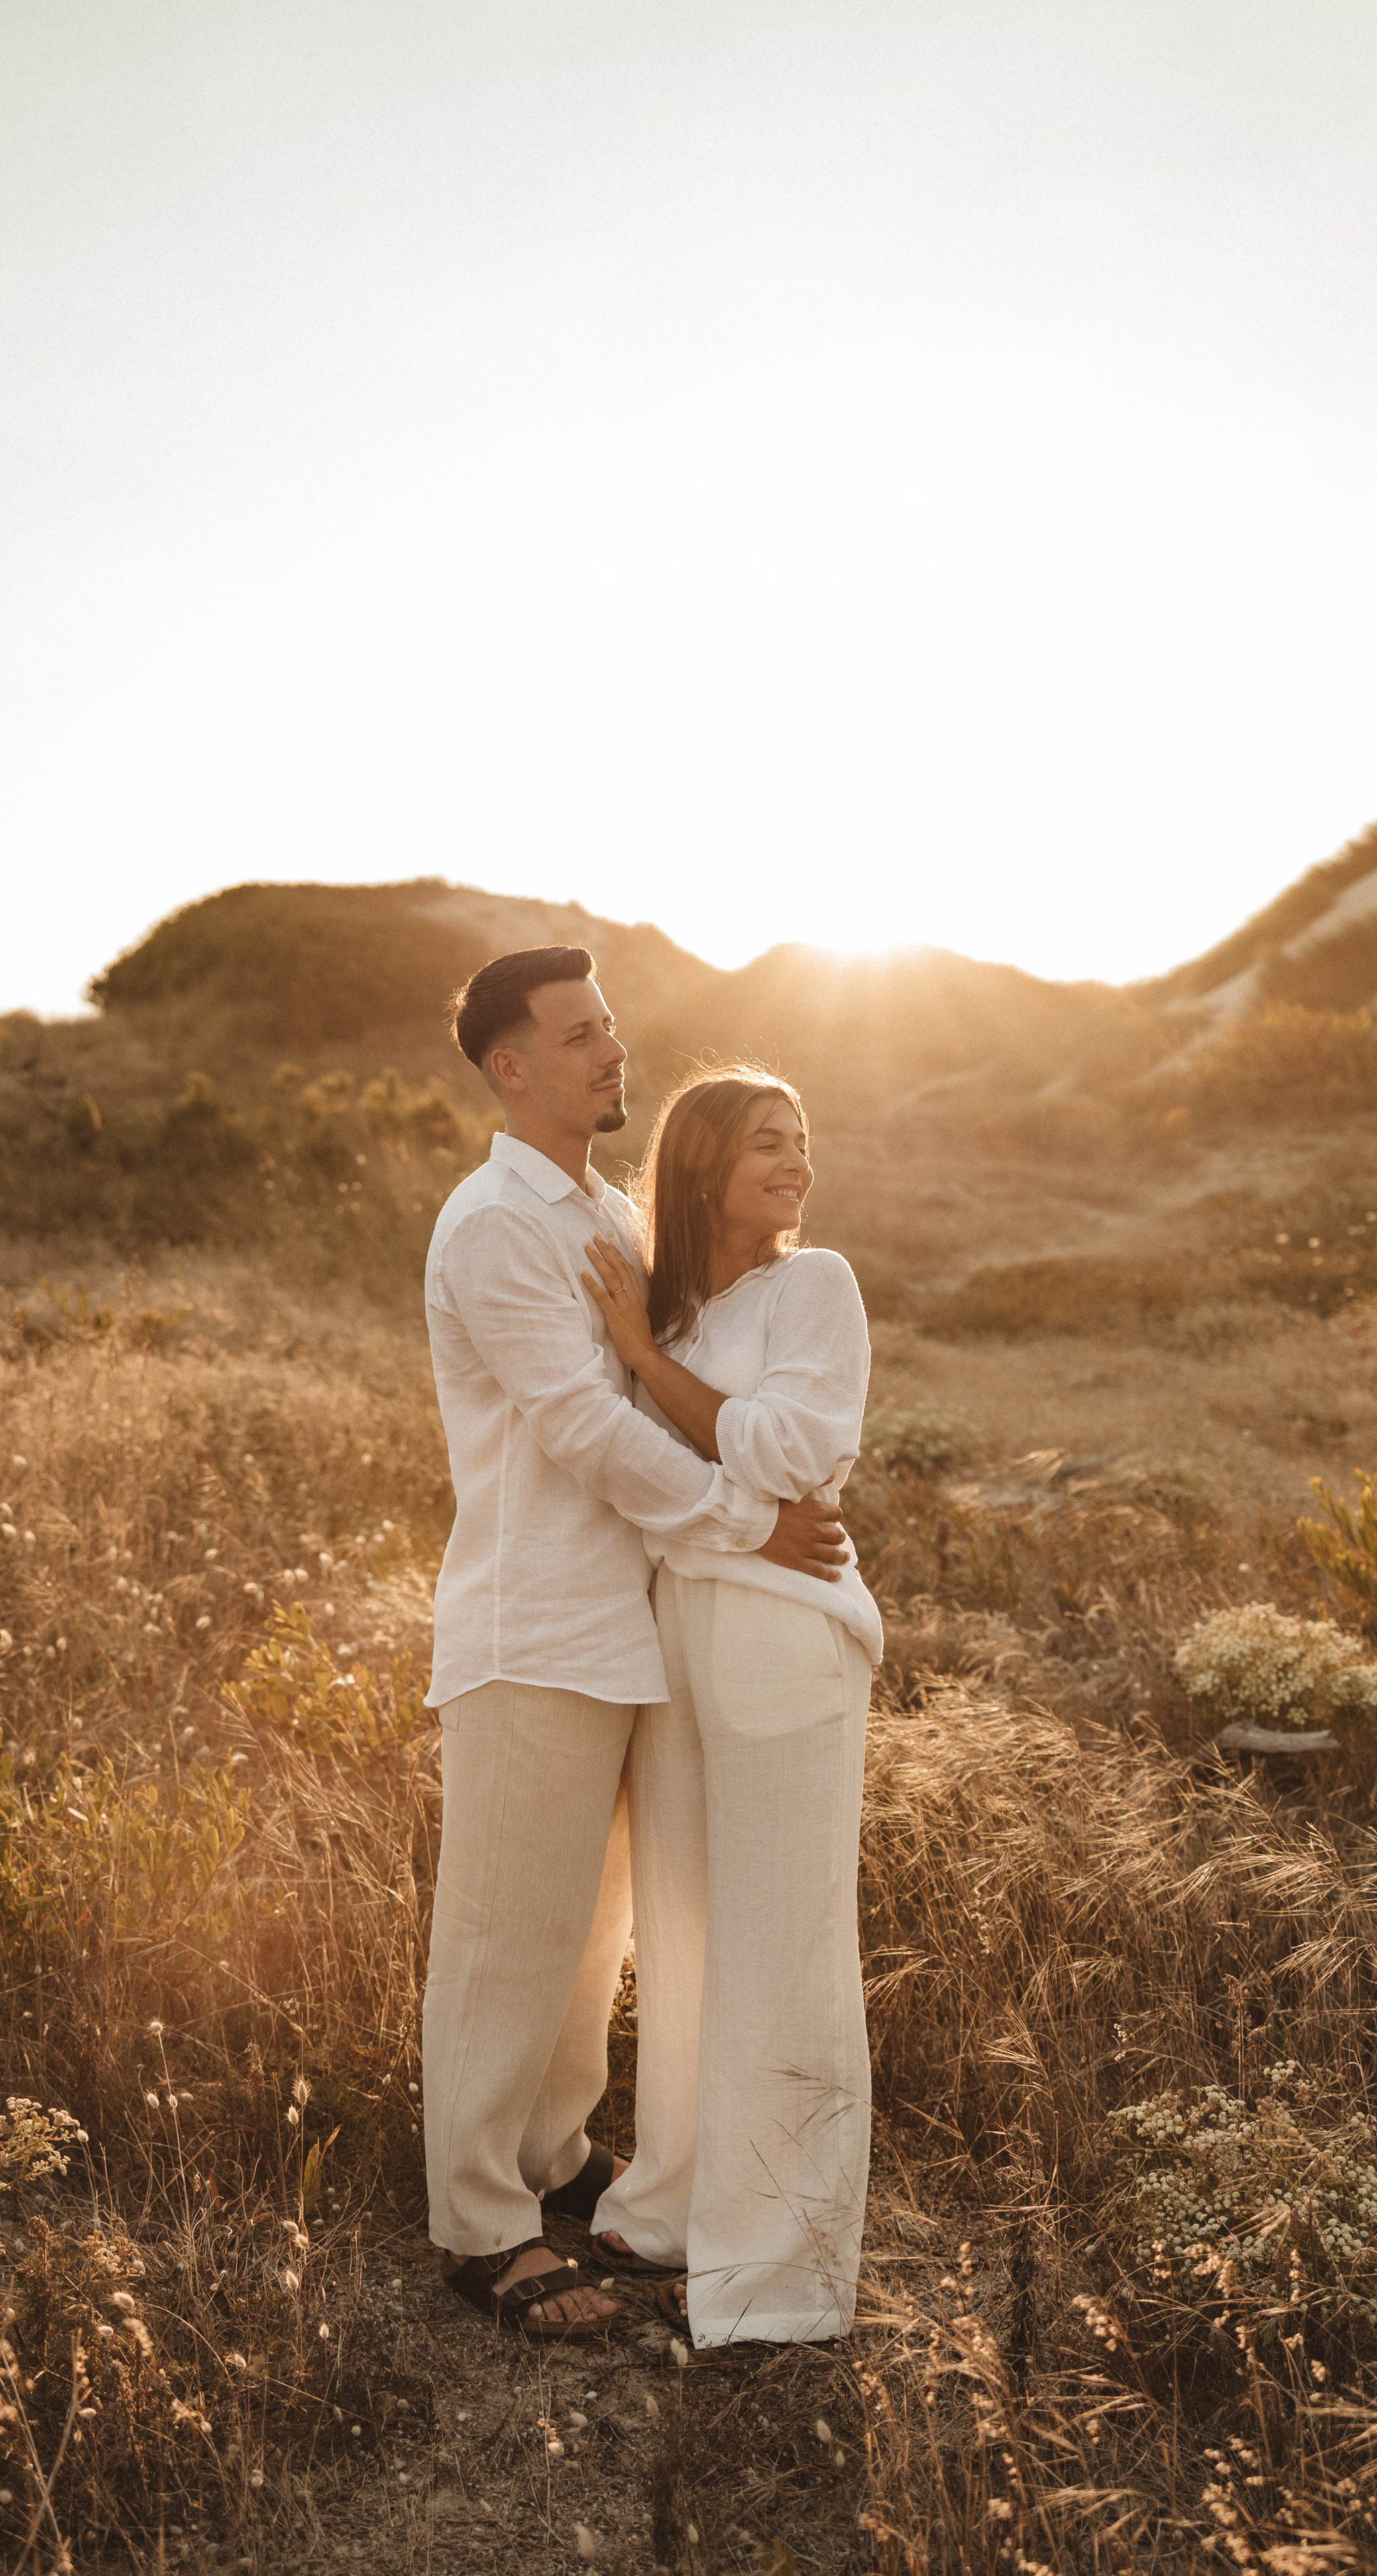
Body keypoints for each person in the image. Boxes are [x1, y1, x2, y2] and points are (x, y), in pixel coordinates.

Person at [421, 949, 850, 2338]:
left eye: (611, 1028)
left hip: (634, 1630)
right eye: (581, 1035)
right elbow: (587, 1427)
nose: (614, 1054)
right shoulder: (493, 1224)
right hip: (533, 1622)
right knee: (504, 1934)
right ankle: (480, 2221)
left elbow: (697, 1380)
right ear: (512, 1067)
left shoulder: (609, 1213)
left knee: (586, 1940)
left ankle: (550, 2158)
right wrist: (746, 1521)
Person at [580, 1066, 881, 2347]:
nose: (798, 1162)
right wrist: (656, 1351)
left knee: (783, 1942)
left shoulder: (817, 1285)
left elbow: (789, 1450)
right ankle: (681, 2207)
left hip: (782, 1635)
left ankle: (777, 2268)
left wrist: (647, 1362)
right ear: (702, 1165)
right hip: (676, 1633)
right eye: (771, 1142)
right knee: (688, 1930)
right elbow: (660, 1460)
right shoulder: (683, 1305)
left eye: (804, 1141)